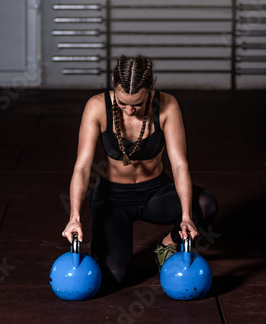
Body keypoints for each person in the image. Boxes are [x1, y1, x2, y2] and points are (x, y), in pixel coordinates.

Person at [61, 55, 218, 291]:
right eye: (123, 103)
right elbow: (82, 167)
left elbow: (179, 165)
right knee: (115, 277)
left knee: (205, 204)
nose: (129, 110)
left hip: (155, 193)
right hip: (113, 199)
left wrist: (186, 216)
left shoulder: (167, 105)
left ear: (150, 89)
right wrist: (74, 216)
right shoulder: (96, 106)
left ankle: (166, 244)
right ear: (115, 85)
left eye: (137, 103)